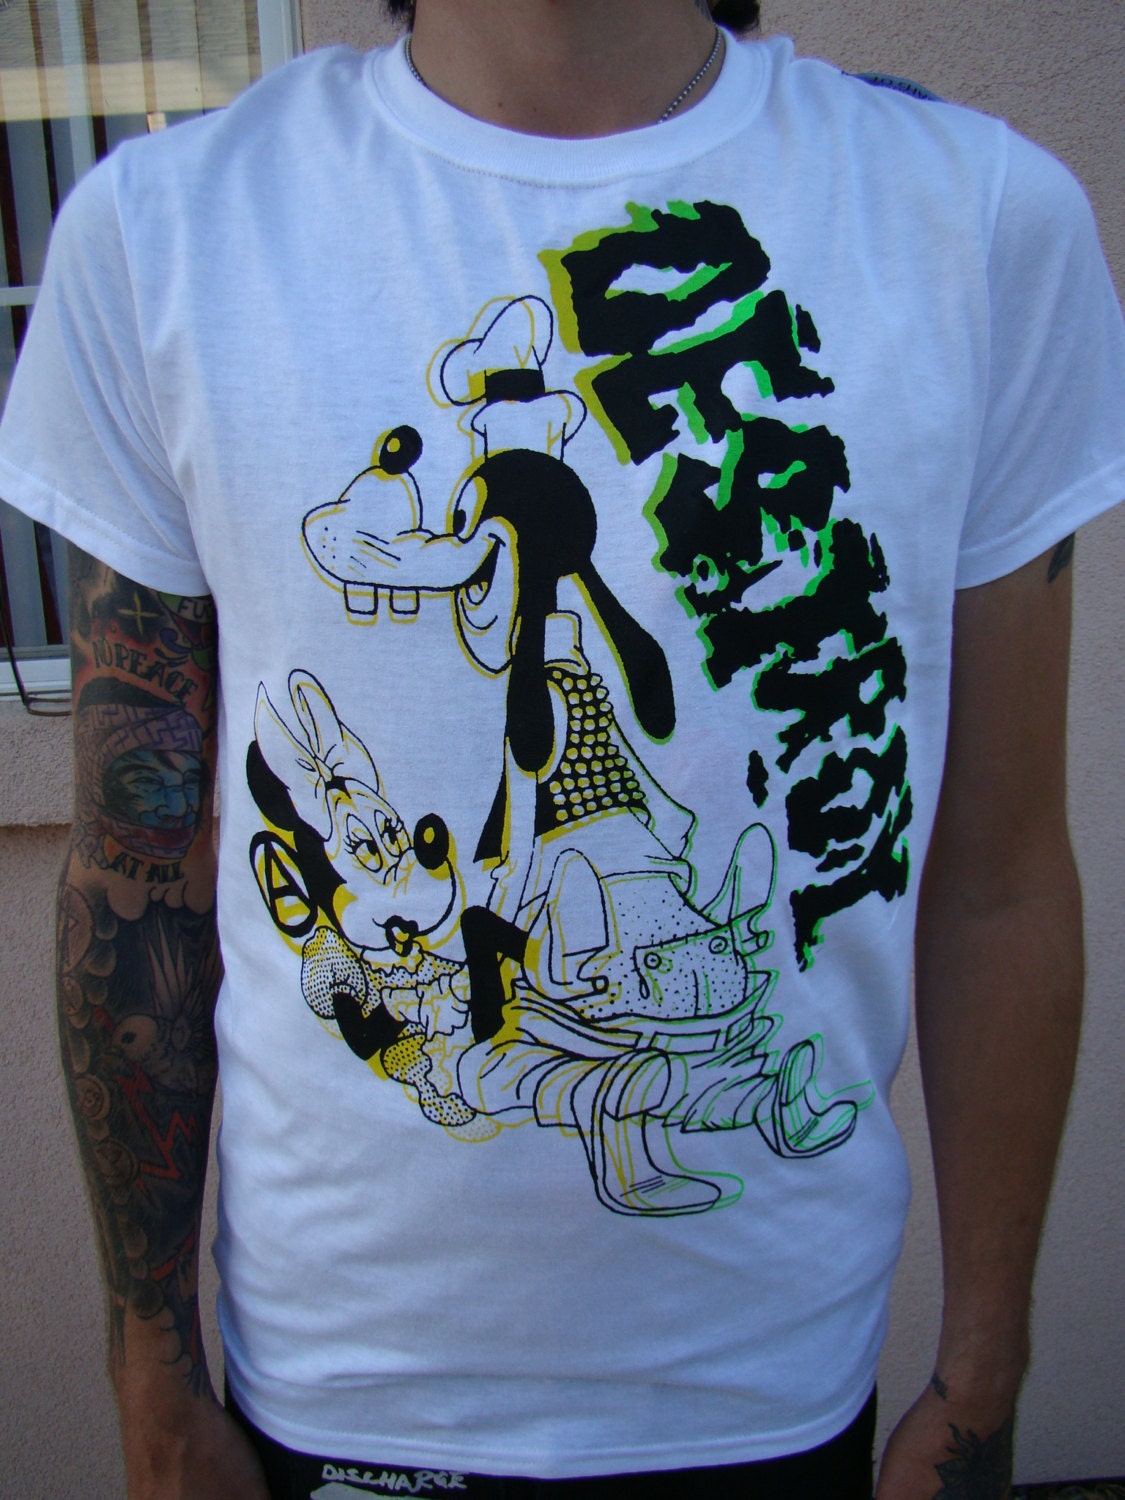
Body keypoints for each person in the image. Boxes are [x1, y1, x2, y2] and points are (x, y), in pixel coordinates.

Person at [1, 1, 1122, 1495]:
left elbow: (998, 880)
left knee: (615, 899)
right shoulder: (162, 230)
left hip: (773, 1386)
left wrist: (979, 1383)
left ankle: (657, 1075)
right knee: (580, 905)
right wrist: (152, 1383)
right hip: (339, 1386)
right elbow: (138, 871)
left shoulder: (974, 221)